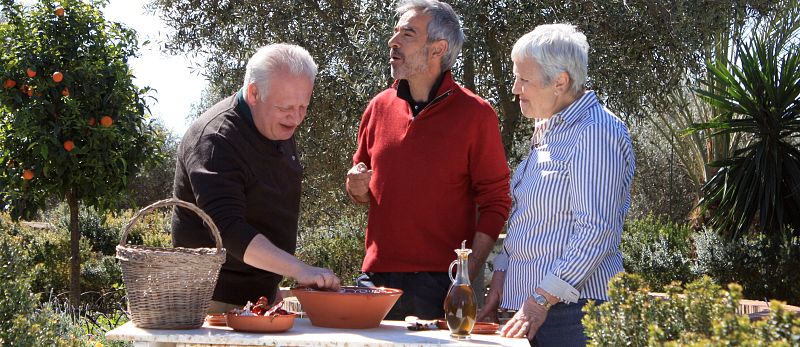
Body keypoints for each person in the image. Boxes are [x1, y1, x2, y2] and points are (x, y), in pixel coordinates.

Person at [346, 0, 512, 320]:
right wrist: (355, 185)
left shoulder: (477, 115)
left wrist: (464, 275)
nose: (393, 41)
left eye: (408, 33)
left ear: (438, 49)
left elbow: (496, 202)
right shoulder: (378, 107)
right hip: (375, 279)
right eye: (395, 31)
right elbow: (361, 192)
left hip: (440, 285)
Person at [476, 24, 635, 346]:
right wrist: (500, 283)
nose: (515, 89)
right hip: (531, 309)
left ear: (560, 81)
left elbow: (596, 229)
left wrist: (540, 301)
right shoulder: (548, 131)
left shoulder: (595, 132)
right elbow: (526, 222)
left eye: (524, 80)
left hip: (574, 313)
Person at [172, 44, 341, 313]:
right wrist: (300, 270)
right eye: (286, 107)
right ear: (253, 92)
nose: (296, 118)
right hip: (210, 303)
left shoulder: (275, 123)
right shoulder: (216, 140)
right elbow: (228, 231)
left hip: (259, 298)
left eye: (303, 106)